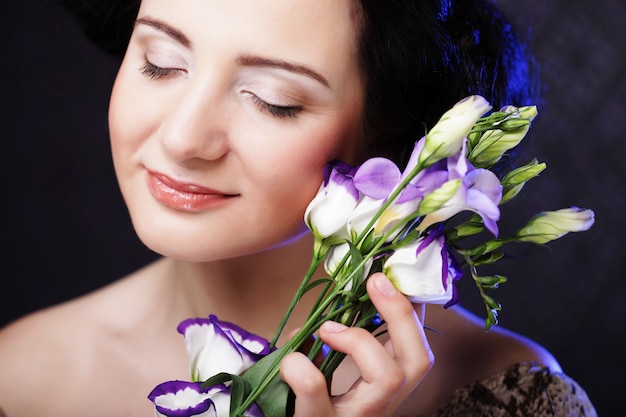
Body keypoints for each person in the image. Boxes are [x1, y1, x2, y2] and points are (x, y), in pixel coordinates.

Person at [0, 0, 597, 416]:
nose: (182, 139)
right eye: (160, 61)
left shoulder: (514, 396)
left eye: (272, 100)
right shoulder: (22, 378)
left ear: (391, 139)